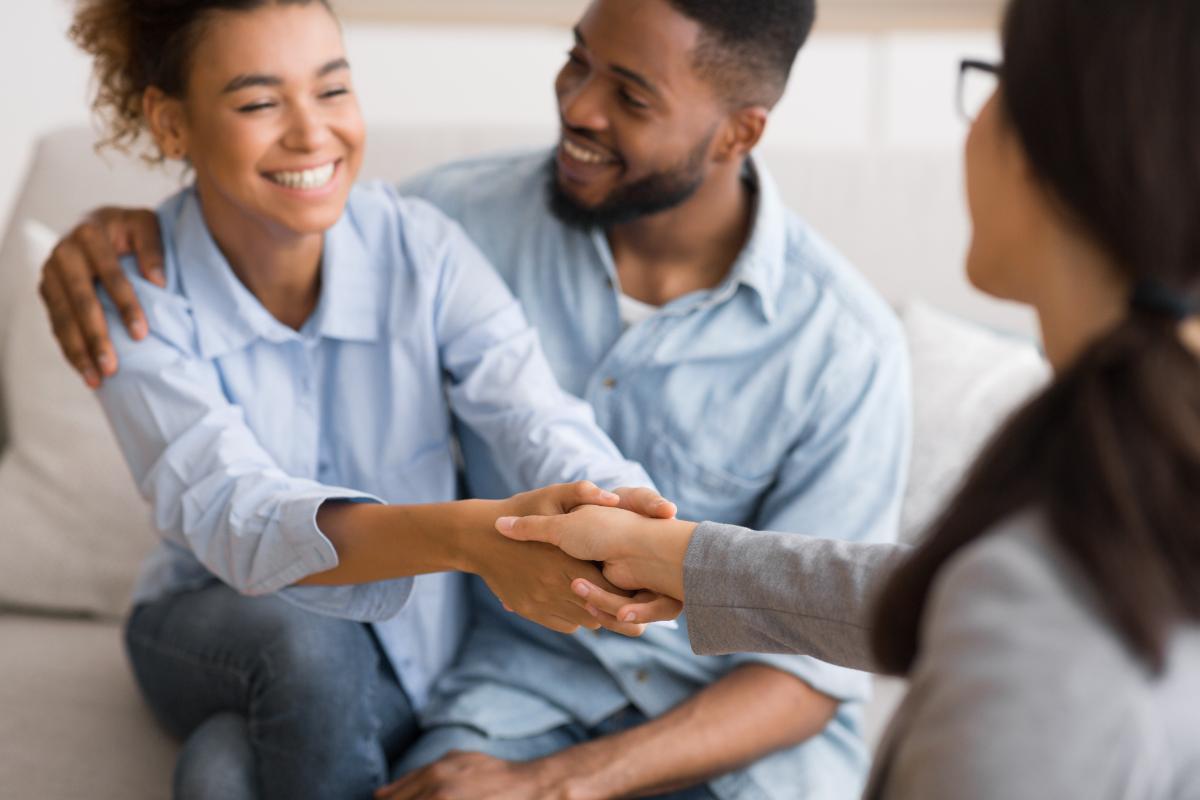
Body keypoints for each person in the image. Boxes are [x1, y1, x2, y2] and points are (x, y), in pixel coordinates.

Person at [43, 1, 912, 798]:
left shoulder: (846, 348)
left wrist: (621, 516)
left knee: (222, 768)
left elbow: (533, 415)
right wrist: (98, 239)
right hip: (495, 697)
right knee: (296, 650)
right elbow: (234, 490)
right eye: (578, 61)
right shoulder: (455, 215)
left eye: (632, 96)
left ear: (738, 134)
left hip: (729, 754)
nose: (577, 107)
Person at [496, 0, 1200, 797]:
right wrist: (680, 557)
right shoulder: (1119, 487)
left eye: (999, 84)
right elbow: (941, 593)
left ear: (1069, 161)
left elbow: (988, 603)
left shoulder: (1046, 626)